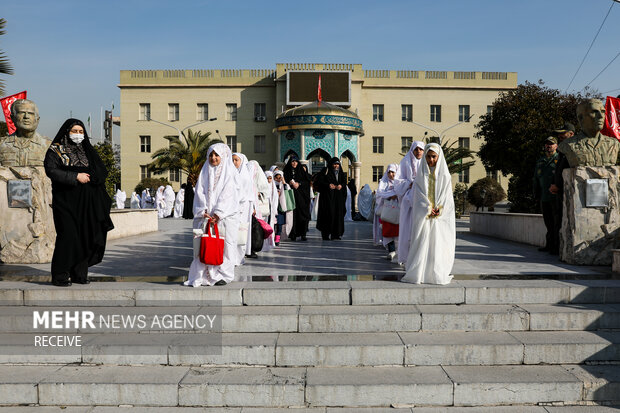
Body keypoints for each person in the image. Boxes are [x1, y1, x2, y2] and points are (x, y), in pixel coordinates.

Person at [44, 118, 114, 286]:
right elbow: (51, 171)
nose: (78, 134)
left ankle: (79, 274)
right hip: (66, 201)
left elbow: (101, 171)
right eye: (74, 131)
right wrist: (75, 176)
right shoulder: (56, 150)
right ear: (67, 132)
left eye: (80, 131)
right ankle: (60, 275)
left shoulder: (87, 150)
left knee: (85, 236)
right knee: (68, 236)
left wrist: (94, 177)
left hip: (87, 203)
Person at [184, 143, 239, 287]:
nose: (213, 158)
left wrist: (219, 213)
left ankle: (223, 275)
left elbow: (229, 194)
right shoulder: (205, 171)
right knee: (204, 245)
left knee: (225, 246)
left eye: (216, 155)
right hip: (206, 217)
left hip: (225, 218)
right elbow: (200, 192)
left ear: (223, 156)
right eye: (211, 155)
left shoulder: (229, 173)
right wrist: (204, 211)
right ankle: (203, 275)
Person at [402, 143, 455, 285]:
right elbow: (418, 194)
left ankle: (435, 273)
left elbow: (447, 197)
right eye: (428, 157)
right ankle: (420, 273)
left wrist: (439, 208)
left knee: (437, 245)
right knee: (422, 243)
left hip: (439, 217)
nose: (431, 160)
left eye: (433, 157)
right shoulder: (421, 174)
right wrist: (427, 207)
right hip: (424, 216)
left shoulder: (445, 176)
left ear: (438, 157)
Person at [395, 141, 425, 264]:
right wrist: (410, 183)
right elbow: (398, 182)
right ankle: (407, 258)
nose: (418, 152)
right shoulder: (405, 162)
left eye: (421, 149)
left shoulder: (426, 162)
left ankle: (420, 258)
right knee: (408, 229)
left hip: (423, 200)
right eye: (416, 149)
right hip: (408, 201)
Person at [0, 99, 50, 167]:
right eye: (21, 112)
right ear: (12, 118)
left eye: (31, 113)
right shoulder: (2, 144)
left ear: (37, 119)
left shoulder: (49, 146)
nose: (26, 117)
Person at [533, 137, 560, 254]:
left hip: (555, 197)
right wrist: (536, 194)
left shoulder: (559, 159)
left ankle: (556, 246)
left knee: (556, 223)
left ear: (556, 146)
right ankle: (549, 245)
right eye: (547, 144)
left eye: (551, 144)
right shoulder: (540, 161)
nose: (549, 146)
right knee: (548, 222)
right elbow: (536, 179)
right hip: (544, 197)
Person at [315, 157, 348, 240]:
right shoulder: (325, 171)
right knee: (328, 215)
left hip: (338, 199)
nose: (336, 166)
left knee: (337, 215)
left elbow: (344, 182)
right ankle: (326, 234)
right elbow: (319, 182)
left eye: (337, 164)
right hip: (327, 198)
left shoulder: (340, 173)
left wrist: (341, 185)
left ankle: (336, 234)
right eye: (334, 164)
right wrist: (328, 185)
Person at [283, 155, 311, 241]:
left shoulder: (301, 171)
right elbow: (283, 182)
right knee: (292, 216)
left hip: (302, 198)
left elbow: (307, 182)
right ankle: (293, 234)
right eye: (292, 161)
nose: (294, 163)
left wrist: (299, 184)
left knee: (302, 215)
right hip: (291, 198)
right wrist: (289, 183)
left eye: (295, 161)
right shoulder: (286, 172)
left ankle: (303, 234)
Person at [232, 152, 254, 262]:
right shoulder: (231, 173)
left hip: (243, 207)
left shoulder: (245, 175)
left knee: (241, 230)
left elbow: (246, 193)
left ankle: (239, 256)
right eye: (233, 160)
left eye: (236, 160)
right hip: (233, 206)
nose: (234, 162)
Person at [376, 164, 400, 260]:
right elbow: (379, 195)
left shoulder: (400, 183)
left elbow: (405, 193)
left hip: (398, 212)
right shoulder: (383, 183)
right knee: (388, 232)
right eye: (389, 172)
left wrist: (397, 196)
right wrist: (389, 196)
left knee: (398, 232)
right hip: (387, 212)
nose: (391, 174)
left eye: (393, 172)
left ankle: (398, 252)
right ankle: (391, 251)